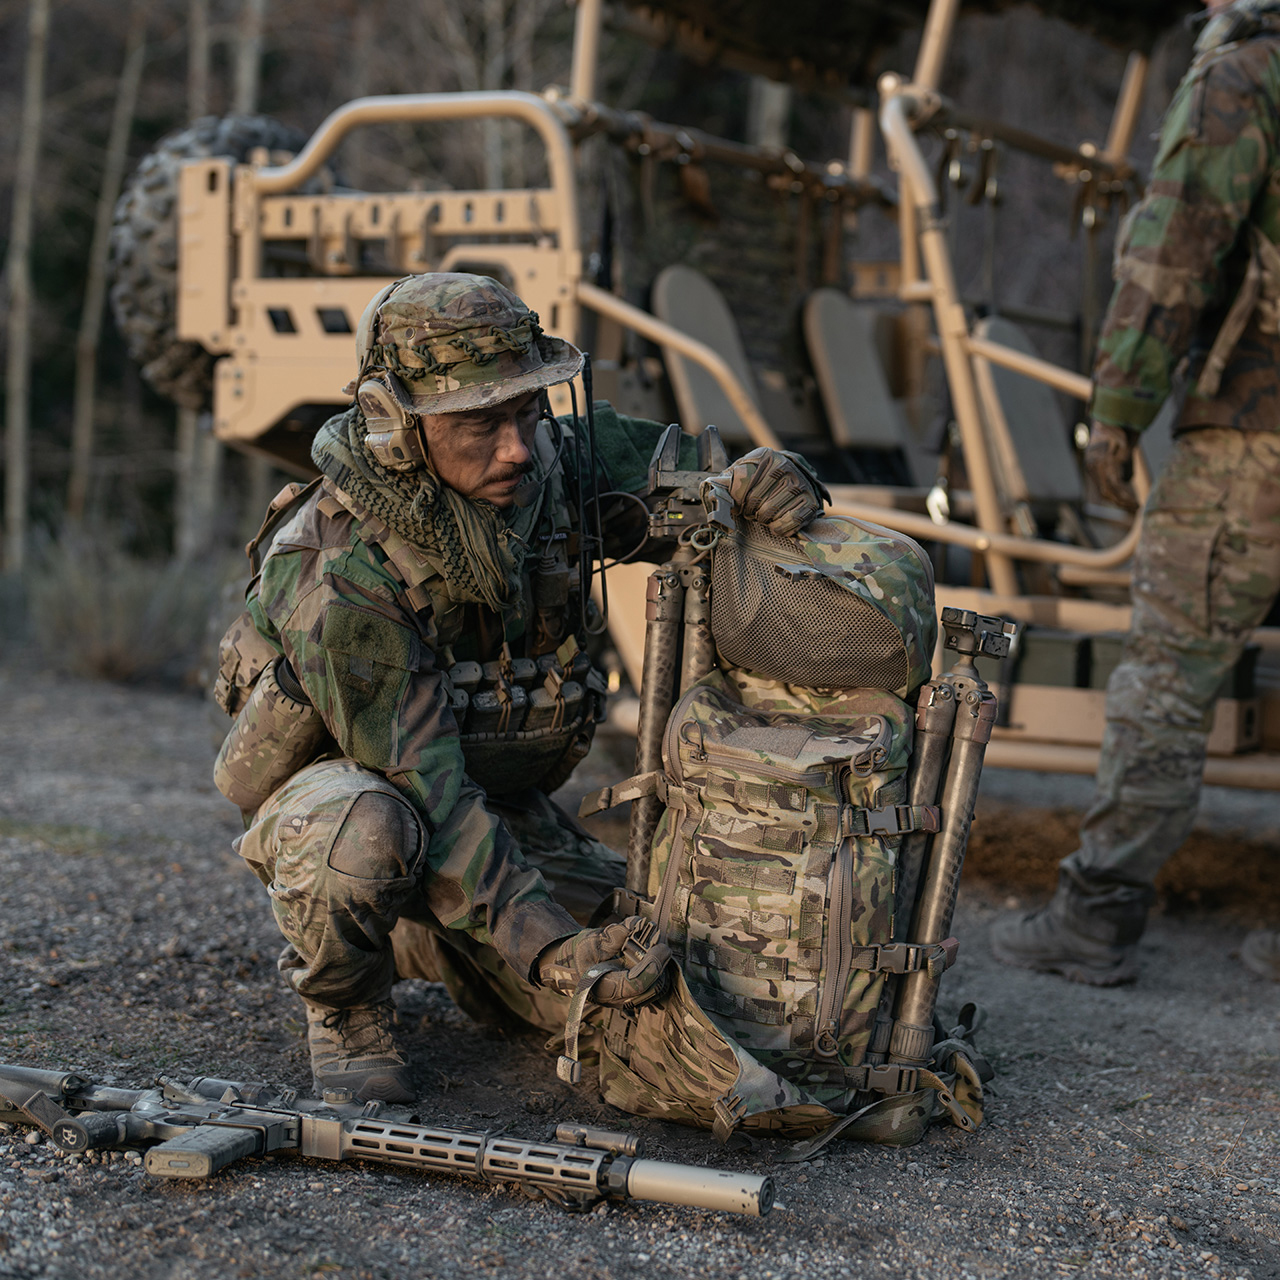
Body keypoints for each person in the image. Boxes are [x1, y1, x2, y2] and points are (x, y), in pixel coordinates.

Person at [213, 271, 826, 1099]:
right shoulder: (342, 568)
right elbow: (426, 791)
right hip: (365, 795)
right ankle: (347, 1000)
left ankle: (434, 938)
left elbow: (710, 479)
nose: (515, 448)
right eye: (479, 423)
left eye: (528, 410)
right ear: (396, 427)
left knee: (661, 971)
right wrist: (542, 945)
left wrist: (774, 477)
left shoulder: (546, 462)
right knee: (368, 839)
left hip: (493, 801)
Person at [991, 0, 1280, 986]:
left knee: (1166, 668)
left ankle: (1096, 913)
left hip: (1255, 430)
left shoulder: (1246, 72)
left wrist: (1117, 406)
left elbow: (1176, 249)